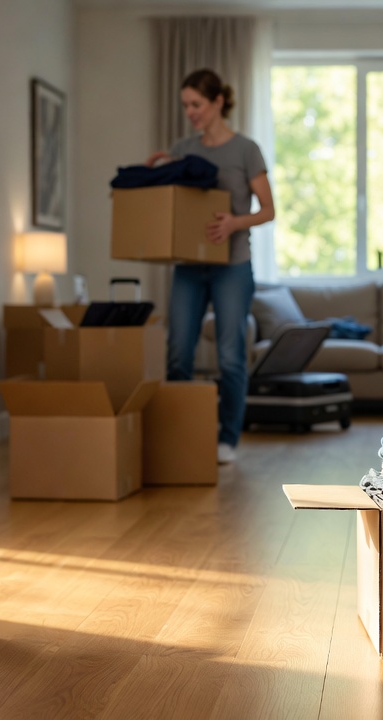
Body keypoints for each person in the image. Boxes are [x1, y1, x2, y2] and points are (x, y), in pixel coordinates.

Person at [146, 68, 274, 465]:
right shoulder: (183, 147)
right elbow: (174, 203)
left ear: (218, 102)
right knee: (178, 353)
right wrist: (156, 171)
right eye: (185, 105)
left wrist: (235, 222)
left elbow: (268, 211)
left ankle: (227, 439)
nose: (190, 112)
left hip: (232, 265)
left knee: (231, 355)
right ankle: (183, 436)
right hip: (189, 264)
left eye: (196, 104)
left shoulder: (245, 150)